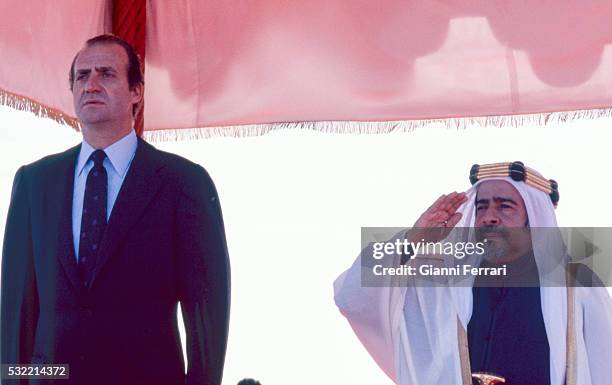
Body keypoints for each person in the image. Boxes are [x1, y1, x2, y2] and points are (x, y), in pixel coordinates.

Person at [1, 34, 231, 385]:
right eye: (82, 76)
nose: (91, 84)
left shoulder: (184, 182)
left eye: (106, 74)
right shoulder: (34, 182)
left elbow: (206, 312)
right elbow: (16, 312)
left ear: (136, 91)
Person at [334, 162, 611, 385]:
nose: (489, 217)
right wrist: (412, 239)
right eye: (481, 207)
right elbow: (352, 295)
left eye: (504, 206)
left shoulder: (576, 287)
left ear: (534, 219)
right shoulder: (443, 279)